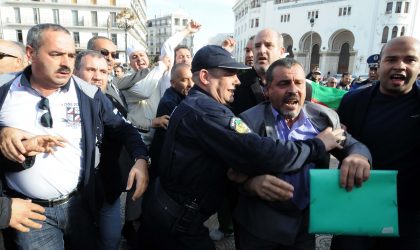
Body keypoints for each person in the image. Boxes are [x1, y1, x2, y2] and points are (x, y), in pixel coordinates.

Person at [137, 45, 355, 249]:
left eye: (298, 83)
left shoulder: (198, 105)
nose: (237, 81)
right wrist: (317, 145)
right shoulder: (207, 111)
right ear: (204, 77)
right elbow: (260, 153)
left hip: (172, 214)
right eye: (230, 74)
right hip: (179, 224)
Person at [0, 23, 149, 249]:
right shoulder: (4, 91)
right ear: (30, 53)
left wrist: (140, 159)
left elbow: (123, 127)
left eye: (71, 55)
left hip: (80, 205)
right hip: (31, 215)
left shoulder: (88, 93)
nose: (65, 63)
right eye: (56, 54)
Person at [232, 58, 371, 250]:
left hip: (304, 227)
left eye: (298, 83)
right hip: (259, 227)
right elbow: (232, 171)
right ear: (267, 90)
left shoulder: (324, 118)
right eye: (283, 84)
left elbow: (353, 145)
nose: (292, 90)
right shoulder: (247, 121)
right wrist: (250, 184)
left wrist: (358, 156)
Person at [330, 36, 420, 250]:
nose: (400, 66)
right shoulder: (353, 101)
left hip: (410, 212)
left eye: (410, 60)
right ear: (380, 65)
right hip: (358, 202)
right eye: (391, 59)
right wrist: (350, 154)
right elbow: (340, 142)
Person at [74, 50, 130, 250]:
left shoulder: (113, 99)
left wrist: (141, 157)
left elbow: (125, 129)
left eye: (103, 71)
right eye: (90, 70)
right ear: (76, 70)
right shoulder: (64, 103)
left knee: (111, 239)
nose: (97, 76)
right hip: (77, 194)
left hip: (109, 185)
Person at [148, 63, 193, 178]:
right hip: (165, 163)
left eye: (192, 79)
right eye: (184, 80)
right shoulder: (169, 102)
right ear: (173, 83)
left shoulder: (182, 96)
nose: (190, 84)